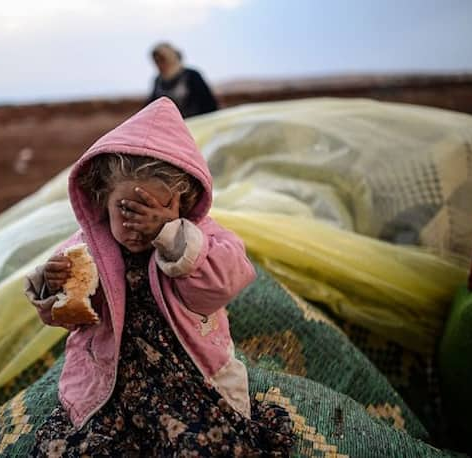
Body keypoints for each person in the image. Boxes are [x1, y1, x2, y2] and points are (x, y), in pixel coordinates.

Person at [24, 97, 294, 456]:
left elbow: (215, 289)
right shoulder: (86, 248)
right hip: (113, 376)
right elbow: (72, 318)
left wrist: (170, 237)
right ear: (103, 199)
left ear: (183, 203)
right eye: (128, 209)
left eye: (159, 209)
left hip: (183, 375)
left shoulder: (203, 239)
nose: (142, 223)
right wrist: (52, 287)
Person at [146, 42, 219, 118]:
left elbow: (209, 104)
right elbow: (151, 106)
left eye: (162, 59)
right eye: (156, 61)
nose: (160, 64)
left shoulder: (192, 75)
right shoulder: (158, 81)